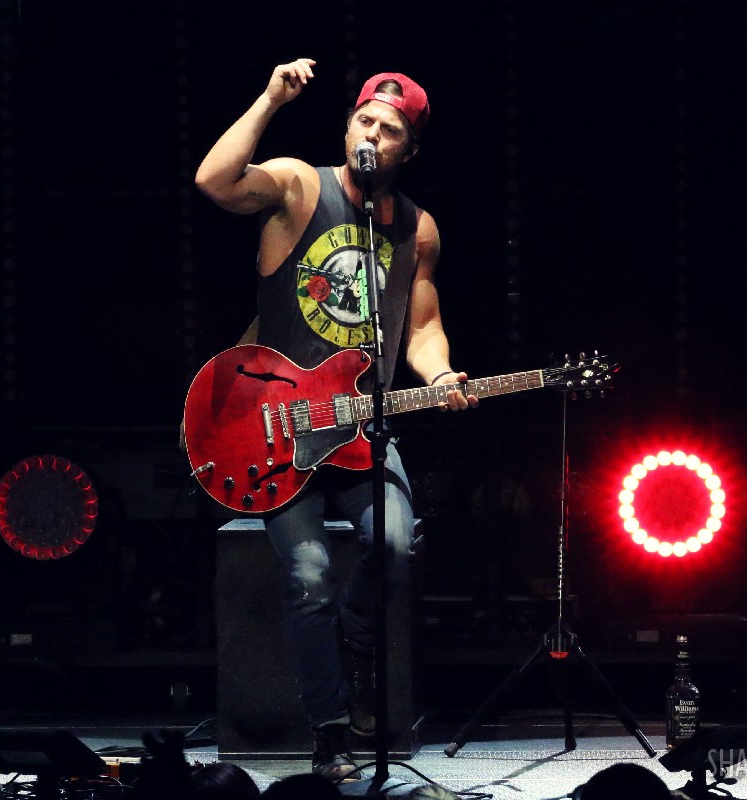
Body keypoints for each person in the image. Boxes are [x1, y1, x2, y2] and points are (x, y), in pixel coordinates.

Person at [195, 59, 477, 782]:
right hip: (279, 426)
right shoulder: (298, 185)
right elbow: (215, 182)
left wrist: (441, 375)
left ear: (409, 149)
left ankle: (357, 639)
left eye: (390, 130)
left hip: (361, 426)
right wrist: (270, 99)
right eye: (365, 120)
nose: (373, 135)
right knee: (310, 574)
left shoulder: (417, 229)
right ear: (348, 124)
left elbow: (421, 328)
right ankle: (329, 729)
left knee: (395, 543)